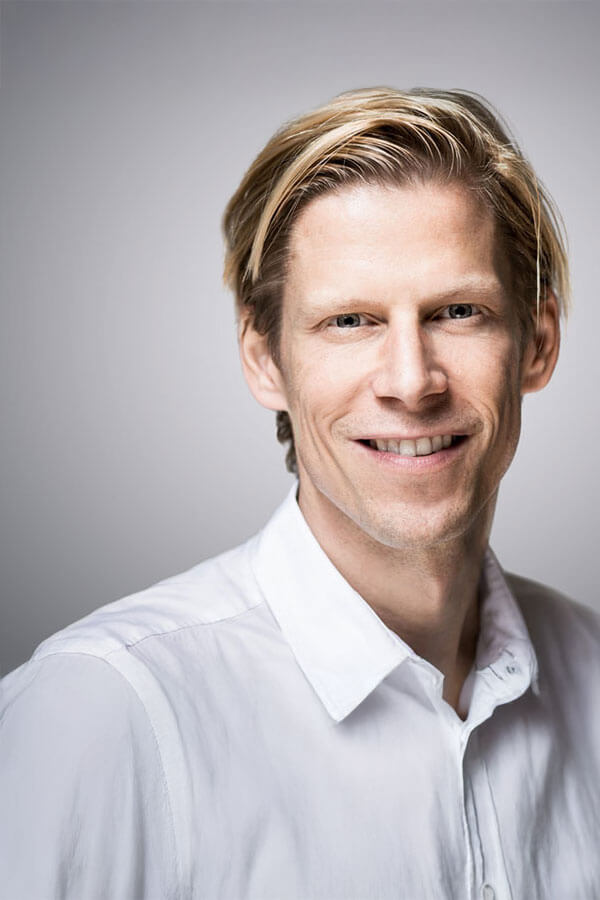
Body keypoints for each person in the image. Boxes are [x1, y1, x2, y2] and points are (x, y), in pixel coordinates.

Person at [1, 87, 598, 900]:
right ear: (265, 362)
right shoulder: (101, 713)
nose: (411, 381)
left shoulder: (594, 680)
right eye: (350, 321)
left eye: (458, 312)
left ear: (540, 342)